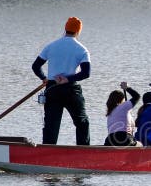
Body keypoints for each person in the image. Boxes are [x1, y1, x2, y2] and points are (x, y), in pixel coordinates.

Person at [31, 16, 91, 145]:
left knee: (51, 126)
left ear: (65, 28)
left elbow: (36, 66)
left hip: (52, 88)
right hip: (70, 89)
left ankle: (46, 153)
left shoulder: (51, 46)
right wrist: (68, 79)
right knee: (82, 122)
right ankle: (83, 151)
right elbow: (86, 73)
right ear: (78, 31)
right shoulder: (82, 49)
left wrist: (44, 78)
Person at [104, 81, 141, 146]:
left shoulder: (110, 112)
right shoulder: (124, 106)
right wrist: (127, 88)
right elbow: (137, 96)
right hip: (124, 138)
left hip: (110, 139)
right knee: (140, 145)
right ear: (122, 99)